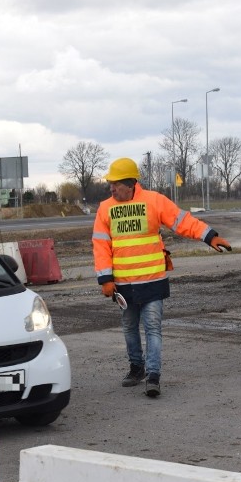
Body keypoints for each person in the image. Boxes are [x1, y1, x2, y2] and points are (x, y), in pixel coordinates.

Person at [92, 158, 232, 398]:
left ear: (130, 183)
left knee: (153, 328)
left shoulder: (154, 201)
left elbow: (183, 221)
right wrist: (105, 279)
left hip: (152, 280)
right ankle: (136, 368)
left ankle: (153, 376)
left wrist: (210, 236)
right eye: (111, 185)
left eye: (115, 184)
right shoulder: (105, 208)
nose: (111, 189)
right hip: (123, 284)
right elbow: (101, 246)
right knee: (129, 328)